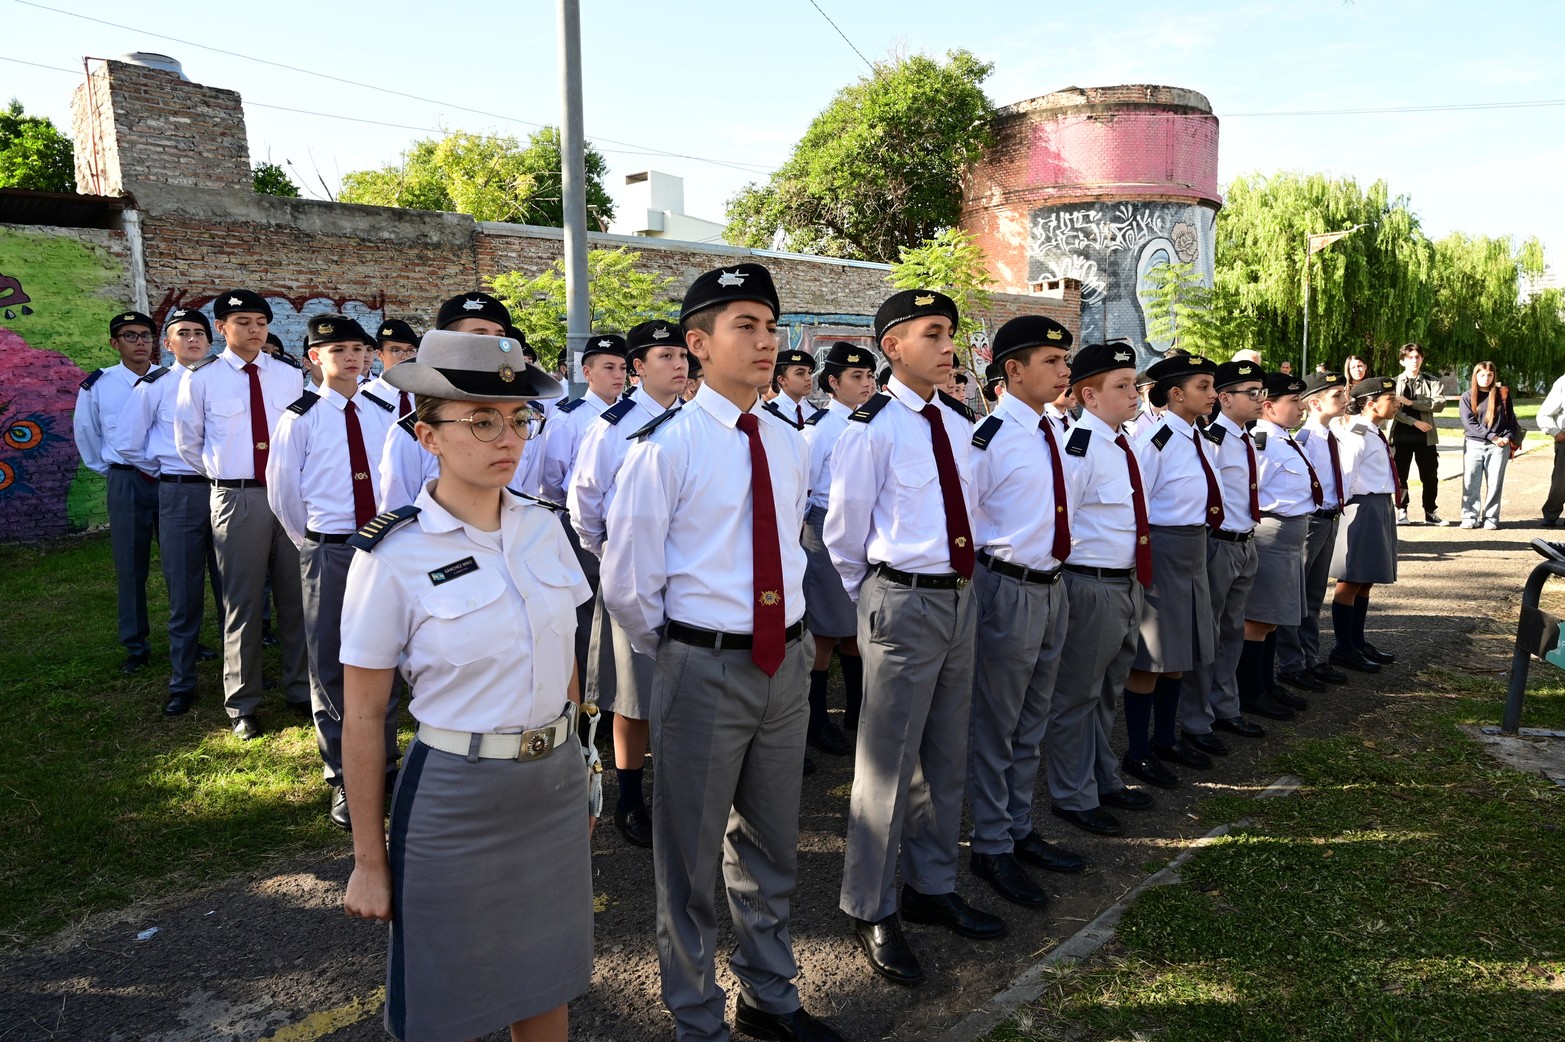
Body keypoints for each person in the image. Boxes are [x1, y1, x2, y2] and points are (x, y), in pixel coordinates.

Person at [602, 263, 842, 1042]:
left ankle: (769, 998)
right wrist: (688, 651)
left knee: (772, 845)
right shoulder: (662, 448)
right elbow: (629, 584)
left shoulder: (787, 439)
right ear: (698, 345)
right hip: (703, 665)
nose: (766, 341)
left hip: (785, 663)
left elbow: (789, 548)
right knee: (689, 859)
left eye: (770, 326)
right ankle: (696, 1017)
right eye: (746, 326)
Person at [338, 329, 592, 1042]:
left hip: (552, 781)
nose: (506, 438)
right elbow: (363, 717)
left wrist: (584, 766)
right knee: (445, 1000)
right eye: (481, 420)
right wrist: (368, 861)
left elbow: (565, 661)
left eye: (517, 419)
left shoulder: (543, 527)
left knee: (545, 980)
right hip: (456, 795)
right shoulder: (392, 554)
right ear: (428, 436)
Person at [825, 288, 1003, 988]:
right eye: (932, 333)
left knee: (944, 754)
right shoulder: (870, 428)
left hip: (958, 597)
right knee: (887, 765)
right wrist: (879, 600)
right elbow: (844, 535)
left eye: (950, 332)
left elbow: (973, 510)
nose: (948, 345)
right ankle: (871, 904)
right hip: (901, 601)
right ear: (892, 347)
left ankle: (932, 885)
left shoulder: (957, 422)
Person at [964, 315, 1086, 911]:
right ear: (1013, 370)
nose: (1065, 371)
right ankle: (990, 844)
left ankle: (1018, 827)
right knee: (998, 722)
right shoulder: (988, 438)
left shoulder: (1052, 429)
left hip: (1051, 584)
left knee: (1032, 718)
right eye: (1052, 362)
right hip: (1008, 588)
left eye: (1066, 361)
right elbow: (966, 521)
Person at [267, 314, 401, 829]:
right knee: (331, 663)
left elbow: (395, 478)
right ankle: (344, 773)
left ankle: (384, 761)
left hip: (381, 548)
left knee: (384, 657)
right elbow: (284, 495)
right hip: (330, 550)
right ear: (314, 358)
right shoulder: (299, 418)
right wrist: (315, 544)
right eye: (338, 350)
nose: (351, 358)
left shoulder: (381, 411)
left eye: (358, 350)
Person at [568, 318, 688, 848]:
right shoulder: (613, 426)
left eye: (682, 355)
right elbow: (584, 504)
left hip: (687, 575)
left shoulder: (694, 420)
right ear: (637, 367)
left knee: (685, 690)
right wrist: (612, 557)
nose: (678, 364)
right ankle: (630, 799)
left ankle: (678, 793)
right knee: (633, 697)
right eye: (665, 356)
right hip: (632, 575)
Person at [174, 290, 311, 738]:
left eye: (261, 322)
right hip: (238, 498)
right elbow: (189, 445)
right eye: (243, 322)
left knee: (296, 598)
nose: (254, 330)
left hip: (287, 495)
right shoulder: (202, 378)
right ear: (221, 328)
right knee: (242, 601)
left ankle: (301, 689)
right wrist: (229, 478)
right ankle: (242, 703)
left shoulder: (288, 375)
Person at [1046, 342, 1153, 837]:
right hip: (1091, 586)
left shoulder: (1121, 442)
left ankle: (1102, 777)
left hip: (1125, 583)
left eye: (1134, 384)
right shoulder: (1079, 449)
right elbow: (1060, 520)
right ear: (1089, 396)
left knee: (1108, 690)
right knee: (1077, 696)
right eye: (1122, 386)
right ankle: (1072, 794)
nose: (1135, 394)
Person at [114, 307, 223, 713]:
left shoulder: (225, 382)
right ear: (168, 344)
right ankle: (182, 680)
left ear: (211, 340)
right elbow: (127, 443)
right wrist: (165, 468)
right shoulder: (155, 385)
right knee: (184, 591)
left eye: (199, 333)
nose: (193, 339)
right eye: (183, 333)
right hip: (180, 493)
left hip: (226, 491)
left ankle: (240, 671)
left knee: (233, 588)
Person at [1122, 352, 1222, 789]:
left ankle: (1165, 739)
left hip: (1193, 548)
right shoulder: (1156, 441)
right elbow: (1136, 501)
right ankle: (1137, 751)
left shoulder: (1198, 435)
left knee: (1180, 650)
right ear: (1176, 394)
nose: (1213, 394)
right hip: (1163, 550)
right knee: (1153, 655)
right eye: (1204, 386)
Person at [1182, 360, 1276, 755]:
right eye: (1251, 393)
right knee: (1207, 635)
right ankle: (1196, 719)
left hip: (1245, 542)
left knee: (1232, 631)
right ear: (1225, 398)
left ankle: (1225, 707)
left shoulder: (1244, 437)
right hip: (1219, 544)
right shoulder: (1214, 440)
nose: (1260, 400)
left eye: (1261, 392)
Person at [74, 310, 161, 674]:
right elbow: (87, 432)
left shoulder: (170, 380)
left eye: (145, 335)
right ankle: (135, 644)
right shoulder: (100, 385)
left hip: (170, 481)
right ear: (114, 343)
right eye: (130, 336)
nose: (140, 342)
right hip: (126, 481)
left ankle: (187, 637)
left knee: (182, 566)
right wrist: (111, 470)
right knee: (130, 565)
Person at [801, 342, 875, 753]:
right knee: (825, 631)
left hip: (862, 528)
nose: (866, 384)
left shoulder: (872, 422)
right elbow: (805, 490)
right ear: (833, 382)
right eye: (856, 377)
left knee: (855, 626)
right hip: (825, 528)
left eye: (869, 376)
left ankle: (856, 710)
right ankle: (816, 720)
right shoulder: (820, 429)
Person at [1243, 371, 1322, 713]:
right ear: (1269, 406)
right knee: (1258, 618)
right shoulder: (1261, 443)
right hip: (1271, 536)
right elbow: (1249, 494)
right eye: (1293, 401)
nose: (1301, 407)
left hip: (1289, 537)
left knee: (1273, 616)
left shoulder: (1285, 440)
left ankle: (1266, 684)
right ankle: (1251, 691)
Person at [1276, 372, 1352, 692]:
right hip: (1312, 521)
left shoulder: (1331, 435)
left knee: (1314, 594)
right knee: (1295, 595)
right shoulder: (1305, 439)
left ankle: (1310, 657)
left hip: (1330, 519)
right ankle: (1291, 662)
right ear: (1315, 403)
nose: (1345, 399)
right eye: (1337, 395)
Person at [1327, 377, 1402, 673]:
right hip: (1362, 506)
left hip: (1379, 505)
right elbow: (1346, 473)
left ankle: (1357, 641)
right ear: (1371, 404)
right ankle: (1343, 647)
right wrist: (1345, 510)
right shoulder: (1357, 433)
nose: (1396, 403)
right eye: (1390, 399)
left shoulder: (1373, 431)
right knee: (1351, 578)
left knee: (1366, 577)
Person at [1459, 361, 1523, 530]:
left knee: (1495, 483)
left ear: (1494, 376)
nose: (1486, 378)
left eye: (1490, 375)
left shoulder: (1503, 394)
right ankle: (1469, 515)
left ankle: (1491, 517)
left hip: (1499, 446)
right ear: (1475, 376)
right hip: (1474, 443)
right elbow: (1470, 423)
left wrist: (1507, 437)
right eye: (1482, 375)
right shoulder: (1467, 396)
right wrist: (1491, 436)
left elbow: (1511, 419)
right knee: (1471, 481)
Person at [1391, 343, 1446, 525]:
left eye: (1417, 357)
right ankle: (1402, 510)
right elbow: (1392, 410)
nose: (1414, 360)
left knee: (1430, 477)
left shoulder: (1433, 381)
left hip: (1426, 438)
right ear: (1402, 361)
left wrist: (1411, 403)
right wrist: (1414, 422)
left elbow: (1439, 404)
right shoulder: (1393, 383)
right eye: (1410, 357)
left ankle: (1430, 512)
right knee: (1400, 476)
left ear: (1422, 359)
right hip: (1400, 436)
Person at [362, 319, 420, 416]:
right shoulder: (365, 396)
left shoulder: (424, 395)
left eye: (411, 350)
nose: (405, 357)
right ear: (380, 354)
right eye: (396, 350)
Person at [766, 348, 815, 430]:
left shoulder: (814, 411)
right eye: (800, 373)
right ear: (782, 380)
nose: (808, 378)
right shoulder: (769, 412)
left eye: (809, 372)